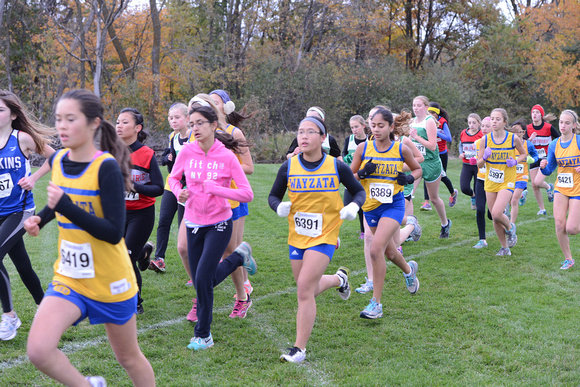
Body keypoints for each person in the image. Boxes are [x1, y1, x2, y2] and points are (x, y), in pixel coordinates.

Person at [23, 89, 155, 386]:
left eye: (71, 119)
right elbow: (57, 201)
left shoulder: (105, 167)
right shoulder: (57, 161)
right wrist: (39, 220)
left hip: (111, 280)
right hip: (70, 276)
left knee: (128, 358)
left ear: (94, 123)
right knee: (39, 350)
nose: (62, 126)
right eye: (59, 119)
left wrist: (67, 207)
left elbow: (112, 232)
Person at [268, 115, 365, 363]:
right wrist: (278, 207)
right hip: (297, 235)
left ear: (323, 138)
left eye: (310, 132)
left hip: (326, 234)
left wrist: (353, 207)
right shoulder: (288, 167)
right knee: (306, 287)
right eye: (300, 131)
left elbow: (358, 191)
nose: (303, 136)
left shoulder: (336, 166)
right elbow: (273, 196)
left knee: (303, 290)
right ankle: (339, 279)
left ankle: (299, 349)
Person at [168, 105, 256, 350]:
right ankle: (239, 256)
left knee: (204, 278)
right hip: (194, 221)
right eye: (192, 123)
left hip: (219, 223)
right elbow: (173, 179)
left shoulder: (226, 156)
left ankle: (203, 335)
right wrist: (179, 192)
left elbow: (247, 193)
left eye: (199, 123)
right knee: (201, 282)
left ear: (213, 125)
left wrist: (217, 189)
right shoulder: (186, 152)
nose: (194, 128)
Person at [350, 107, 422, 319]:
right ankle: (409, 271)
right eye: (373, 125)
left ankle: (376, 304)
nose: (377, 129)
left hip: (393, 205)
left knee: (376, 249)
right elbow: (351, 175)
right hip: (371, 206)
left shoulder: (400, 149)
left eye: (381, 126)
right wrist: (362, 173)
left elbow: (417, 169)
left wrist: (407, 178)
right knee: (391, 253)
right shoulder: (363, 149)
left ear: (391, 127)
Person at [0, 90, 55, 341]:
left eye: (0, 110)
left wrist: (33, 177)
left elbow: (55, 157)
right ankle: (47, 308)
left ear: (12, 114)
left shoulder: (21, 138)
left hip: (20, 211)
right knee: (22, 265)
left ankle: (9, 317)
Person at [209, 89, 255, 317]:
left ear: (226, 108)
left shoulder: (234, 133)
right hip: (210, 200)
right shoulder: (201, 132)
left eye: (215, 102)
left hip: (234, 199)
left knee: (230, 251)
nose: (211, 105)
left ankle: (243, 291)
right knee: (227, 251)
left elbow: (249, 167)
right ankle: (243, 287)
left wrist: (224, 168)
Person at [116, 108, 164, 314]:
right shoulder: (110, 152)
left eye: (124, 122)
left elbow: (159, 188)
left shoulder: (147, 154)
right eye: (117, 122)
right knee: (119, 256)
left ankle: (136, 302)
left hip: (141, 214)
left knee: (125, 258)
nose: (119, 125)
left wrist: (134, 187)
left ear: (137, 128)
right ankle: (144, 252)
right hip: (116, 214)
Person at [477, 108, 526, 256]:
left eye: (498, 119)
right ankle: (505, 248)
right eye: (492, 119)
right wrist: (484, 157)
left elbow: (523, 154)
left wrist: (515, 161)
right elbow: (479, 164)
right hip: (491, 182)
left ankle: (510, 228)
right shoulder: (485, 140)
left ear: (504, 122)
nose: (494, 121)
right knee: (494, 217)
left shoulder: (513, 138)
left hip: (507, 181)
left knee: (498, 213)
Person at [535, 110, 580, 270]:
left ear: (574, 125)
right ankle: (568, 259)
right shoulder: (554, 144)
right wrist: (544, 167)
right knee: (560, 225)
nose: (563, 125)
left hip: (578, 190)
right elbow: (550, 169)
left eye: (567, 123)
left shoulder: (579, 141)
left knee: (572, 229)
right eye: (561, 122)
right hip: (561, 188)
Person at [150, 103, 192, 274]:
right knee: (163, 221)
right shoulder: (172, 137)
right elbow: (173, 162)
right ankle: (159, 259)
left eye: (177, 117)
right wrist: (168, 158)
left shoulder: (195, 137)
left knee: (186, 225)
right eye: (170, 118)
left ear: (187, 118)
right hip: (172, 184)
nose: (173, 121)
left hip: (189, 188)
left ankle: (195, 262)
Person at [410, 96, 451, 238]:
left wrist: (417, 137)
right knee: (408, 195)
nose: (415, 108)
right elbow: (410, 143)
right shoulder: (412, 122)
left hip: (431, 163)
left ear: (426, 107)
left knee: (433, 198)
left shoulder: (430, 122)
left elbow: (433, 146)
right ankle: (410, 228)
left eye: (419, 105)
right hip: (416, 163)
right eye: (414, 105)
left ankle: (445, 224)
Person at [421, 102, 458, 210]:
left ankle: (453, 193)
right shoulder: (426, 121)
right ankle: (426, 203)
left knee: (441, 176)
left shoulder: (442, 122)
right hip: (430, 153)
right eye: (429, 113)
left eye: (433, 113)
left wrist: (436, 132)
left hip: (441, 153)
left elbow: (449, 138)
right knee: (427, 175)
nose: (431, 115)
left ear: (437, 113)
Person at [527, 104, 558, 215]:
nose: (534, 114)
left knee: (538, 181)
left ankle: (549, 187)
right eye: (533, 112)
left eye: (537, 112)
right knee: (534, 185)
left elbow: (558, 139)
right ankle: (542, 209)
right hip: (534, 158)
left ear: (541, 115)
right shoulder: (528, 128)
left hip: (546, 158)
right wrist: (530, 139)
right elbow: (523, 144)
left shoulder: (548, 127)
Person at [342, 114, 368, 239]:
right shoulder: (349, 139)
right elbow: (343, 155)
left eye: (356, 126)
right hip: (352, 176)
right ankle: (364, 229)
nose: (354, 130)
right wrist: (349, 158)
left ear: (363, 126)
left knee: (366, 205)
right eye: (352, 127)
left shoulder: (370, 139)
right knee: (348, 204)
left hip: (366, 177)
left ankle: (365, 231)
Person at [508, 119, 538, 224]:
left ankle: (511, 225)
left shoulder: (527, 144)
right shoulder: (508, 144)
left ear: (523, 132)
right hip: (509, 176)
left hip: (522, 177)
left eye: (518, 131)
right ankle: (522, 195)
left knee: (514, 200)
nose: (515, 133)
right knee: (509, 201)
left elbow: (535, 155)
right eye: (513, 131)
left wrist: (532, 159)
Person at [471, 117, 492, 248]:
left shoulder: (499, 143)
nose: (484, 128)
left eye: (487, 126)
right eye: (482, 126)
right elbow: (477, 160)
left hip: (494, 181)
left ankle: (506, 225)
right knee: (479, 209)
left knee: (492, 214)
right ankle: (482, 239)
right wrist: (475, 159)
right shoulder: (477, 143)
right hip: (481, 179)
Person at [458, 113, 484, 210]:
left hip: (478, 165)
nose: (471, 125)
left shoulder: (482, 135)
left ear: (479, 123)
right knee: (464, 188)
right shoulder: (464, 133)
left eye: (474, 123)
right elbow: (461, 145)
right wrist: (461, 153)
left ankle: (478, 206)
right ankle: (472, 195)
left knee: (478, 188)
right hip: (466, 164)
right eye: (469, 123)